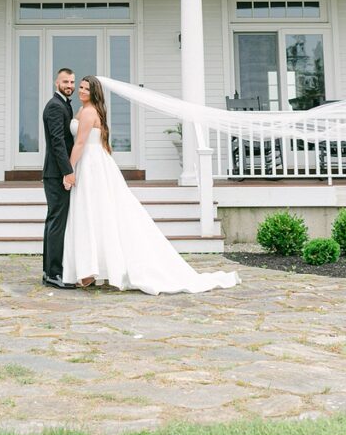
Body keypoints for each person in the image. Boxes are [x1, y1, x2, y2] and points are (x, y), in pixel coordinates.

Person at [62, 75, 239, 295]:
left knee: (96, 212)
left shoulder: (88, 112)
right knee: (96, 213)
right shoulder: (84, 110)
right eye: (79, 87)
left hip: (91, 165)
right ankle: (92, 268)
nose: (80, 91)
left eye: (85, 89)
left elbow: (80, 143)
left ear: (94, 92)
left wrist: (68, 170)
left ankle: (93, 269)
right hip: (92, 163)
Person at [41, 67, 77, 289]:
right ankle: (54, 273)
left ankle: (49, 272)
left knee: (53, 221)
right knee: (56, 223)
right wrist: (68, 171)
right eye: (66, 82)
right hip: (56, 173)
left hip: (56, 172)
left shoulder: (63, 104)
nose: (70, 86)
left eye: (72, 82)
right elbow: (57, 143)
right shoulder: (55, 106)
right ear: (57, 83)